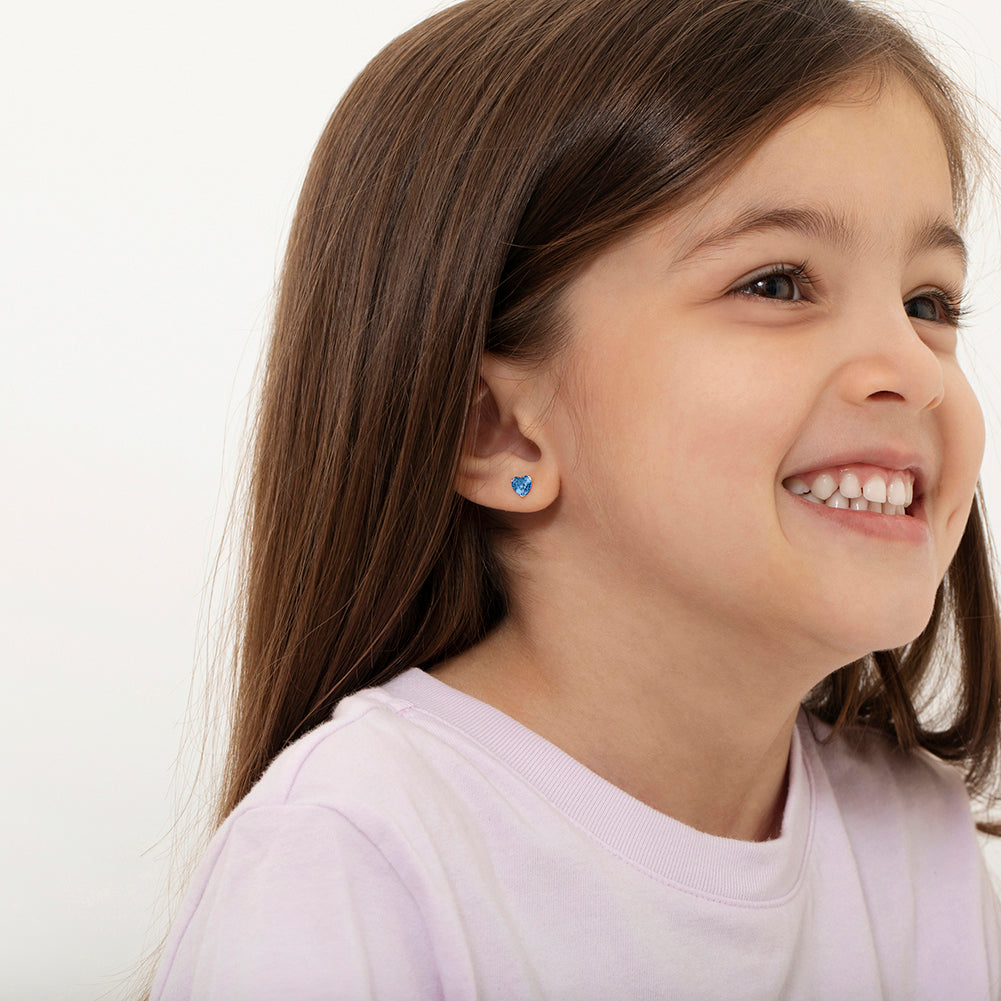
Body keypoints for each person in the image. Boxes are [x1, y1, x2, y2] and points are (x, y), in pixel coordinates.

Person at [150, 0, 1001, 996]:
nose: (913, 369)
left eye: (927, 302)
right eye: (776, 284)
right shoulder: (350, 859)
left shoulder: (916, 842)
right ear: (498, 432)